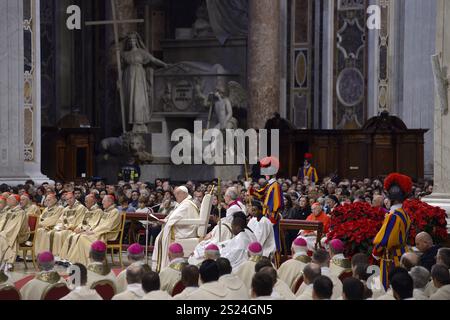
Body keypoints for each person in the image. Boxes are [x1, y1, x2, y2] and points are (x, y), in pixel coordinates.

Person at [372, 173, 412, 291]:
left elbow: (384, 240)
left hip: (391, 256)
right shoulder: (404, 213)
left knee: (389, 287)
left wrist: (376, 252)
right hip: (402, 252)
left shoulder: (393, 216)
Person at [152, 186, 199, 272]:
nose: (176, 196)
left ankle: (162, 267)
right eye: (175, 194)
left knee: (160, 238)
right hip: (185, 228)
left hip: (185, 231)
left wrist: (166, 221)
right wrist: (166, 220)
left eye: (177, 194)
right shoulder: (185, 203)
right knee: (159, 237)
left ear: (184, 194)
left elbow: (175, 217)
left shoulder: (187, 204)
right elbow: (174, 216)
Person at [189, 188, 241, 265]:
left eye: (225, 196)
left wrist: (201, 246)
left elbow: (216, 242)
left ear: (216, 216)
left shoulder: (221, 226)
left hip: (219, 250)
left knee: (194, 257)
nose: (224, 198)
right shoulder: (224, 223)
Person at [66, 195, 121, 266]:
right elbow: (99, 224)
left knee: (83, 237)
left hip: (106, 233)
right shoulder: (106, 211)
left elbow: (108, 226)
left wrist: (93, 231)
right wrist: (89, 230)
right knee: (81, 236)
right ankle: (79, 260)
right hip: (100, 231)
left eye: (104, 201)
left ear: (110, 202)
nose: (102, 202)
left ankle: (88, 261)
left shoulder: (115, 211)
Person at [249, 156, 284, 265]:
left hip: (271, 218)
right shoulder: (269, 185)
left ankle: (277, 265)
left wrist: (272, 217)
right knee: (266, 243)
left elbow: (277, 204)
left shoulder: (275, 185)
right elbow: (260, 193)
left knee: (274, 243)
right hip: (266, 217)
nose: (264, 174)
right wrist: (251, 189)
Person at [59, 194, 104, 266]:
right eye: (85, 201)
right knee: (71, 236)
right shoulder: (87, 211)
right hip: (83, 230)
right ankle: (66, 258)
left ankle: (75, 261)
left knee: (77, 237)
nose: (85, 203)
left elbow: (93, 224)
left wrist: (82, 229)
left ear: (93, 202)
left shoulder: (98, 211)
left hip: (90, 232)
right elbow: (82, 222)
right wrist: (78, 228)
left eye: (87, 202)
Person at [43, 192, 87, 259]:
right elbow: (61, 220)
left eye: (71, 198)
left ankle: (59, 255)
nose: (69, 200)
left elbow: (78, 221)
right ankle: (51, 255)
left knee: (59, 234)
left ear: (74, 197)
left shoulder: (81, 208)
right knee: (51, 233)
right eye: (67, 199)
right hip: (64, 228)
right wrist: (58, 227)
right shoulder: (66, 209)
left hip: (72, 229)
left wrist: (67, 227)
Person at [0, 195, 29, 270]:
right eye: (8, 199)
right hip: (9, 232)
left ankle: (6, 261)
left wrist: (3, 233)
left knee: (5, 237)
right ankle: (6, 262)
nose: (7, 200)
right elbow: (2, 223)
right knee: (5, 237)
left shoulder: (20, 212)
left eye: (10, 199)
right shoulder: (9, 211)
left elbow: (15, 226)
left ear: (16, 201)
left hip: (21, 234)